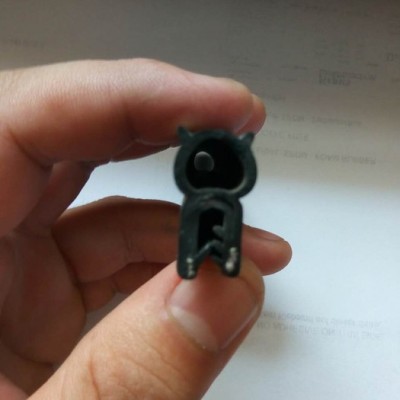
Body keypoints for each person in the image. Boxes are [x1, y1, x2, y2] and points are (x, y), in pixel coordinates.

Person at [0, 58, 292, 399]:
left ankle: (214, 261)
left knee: (216, 238)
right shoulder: (201, 203)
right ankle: (201, 261)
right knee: (199, 238)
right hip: (199, 241)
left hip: (216, 236)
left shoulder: (226, 204)